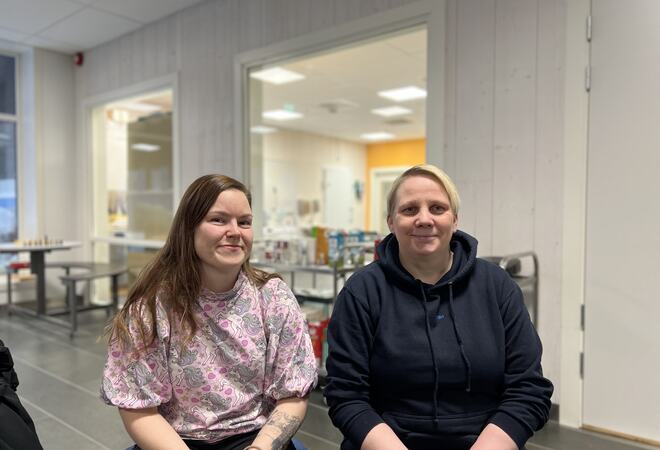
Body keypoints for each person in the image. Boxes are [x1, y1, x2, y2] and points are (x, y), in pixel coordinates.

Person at [324, 164, 553, 450]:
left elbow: (529, 389)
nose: (424, 219)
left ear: (454, 220)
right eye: (409, 210)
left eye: (437, 208)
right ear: (391, 222)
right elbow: (346, 395)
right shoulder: (362, 291)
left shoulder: (497, 286)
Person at [101, 174, 317, 450]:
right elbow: (140, 409)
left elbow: (292, 393)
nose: (235, 231)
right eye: (218, 219)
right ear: (188, 228)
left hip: (253, 437)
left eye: (244, 222)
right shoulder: (153, 308)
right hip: (176, 441)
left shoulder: (273, 297)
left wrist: (260, 448)